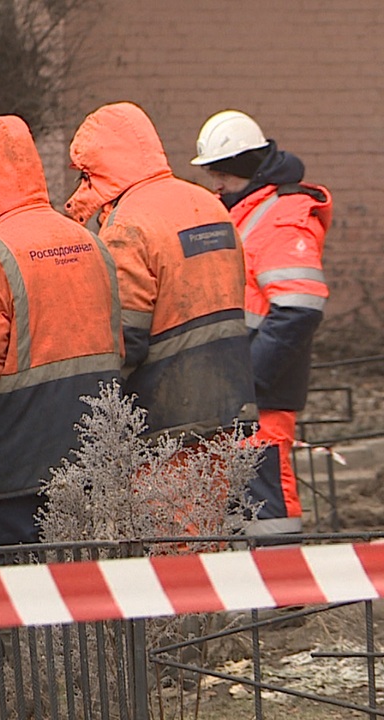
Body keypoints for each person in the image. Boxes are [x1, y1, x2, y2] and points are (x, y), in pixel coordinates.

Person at [0, 115, 123, 547]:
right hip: (94, 455)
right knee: (85, 585)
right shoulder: (91, 244)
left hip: (15, 467)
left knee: (21, 591)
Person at [65, 102, 256, 444]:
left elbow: (125, 341)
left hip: (168, 421)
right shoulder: (210, 205)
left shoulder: (126, 227)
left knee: (170, 501)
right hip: (232, 406)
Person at [191, 110, 332, 536]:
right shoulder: (254, 209)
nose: (216, 185)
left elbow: (299, 309)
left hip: (258, 395)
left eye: (222, 175)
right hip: (246, 391)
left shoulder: (281, 213)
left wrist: (248, 382)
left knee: (266, 508)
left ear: (244, 169)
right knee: (248, 506)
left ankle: (282, 597)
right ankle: (259, 596)